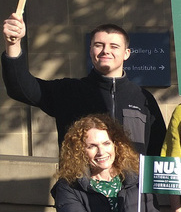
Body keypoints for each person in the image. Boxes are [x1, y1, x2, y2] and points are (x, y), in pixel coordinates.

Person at [2, 13, 166, 155]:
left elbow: (158, 151)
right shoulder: (68, 91)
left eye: (114, 46)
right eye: (98, 45)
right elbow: (21, 88)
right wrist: (13, 44)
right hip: (79, 190)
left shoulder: (144, 99)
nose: (105, 51)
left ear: (126, 54)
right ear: (90, 51)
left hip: (131, 189)